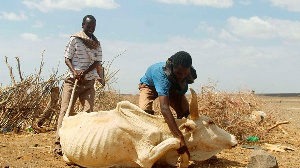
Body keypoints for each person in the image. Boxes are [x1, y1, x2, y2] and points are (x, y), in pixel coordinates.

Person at [54, 15, 103, 155]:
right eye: (88, 26)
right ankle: (59, 143)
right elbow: (67, 58)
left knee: (88, 112)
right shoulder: (74, 39)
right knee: (65, 111)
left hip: (88, 82)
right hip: (72, 81)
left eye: (93, 27)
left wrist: (84, 72)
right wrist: (75, 71)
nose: (91, 29)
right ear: (83, 25)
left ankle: (81, 143)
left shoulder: (97, 44)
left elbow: (97, 62)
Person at [138, 51, 197, 158]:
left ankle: (188, 144)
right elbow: (164, 108)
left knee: (185, 114)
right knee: (144, 113)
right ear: (172, 67)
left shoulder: (188, 74)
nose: (182, 76)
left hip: (171, 88)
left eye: (185, 74)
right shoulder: (161, 74)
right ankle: (150, 147)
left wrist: (182, 113)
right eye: (179, 73)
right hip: (149, 86)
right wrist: (180, 138)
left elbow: (179, 96)